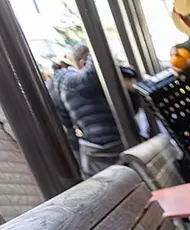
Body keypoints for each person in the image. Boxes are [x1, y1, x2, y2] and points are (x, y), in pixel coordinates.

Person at [59, 45, 139, 178]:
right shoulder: (74, 82)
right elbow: (95, 68)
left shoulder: (73, 86)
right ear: (83, 63)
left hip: (97, 152)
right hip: (104, 149)